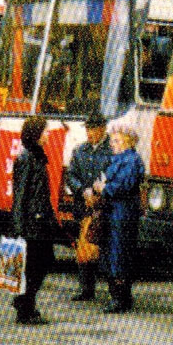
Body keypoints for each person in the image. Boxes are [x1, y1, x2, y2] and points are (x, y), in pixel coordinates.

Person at [92, 122, 145, 313]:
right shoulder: (122, 159)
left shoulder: (130, 160)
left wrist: (103, 188)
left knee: (119, 253)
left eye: (116, 140)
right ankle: (120, 296)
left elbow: (123, 186)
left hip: (122, 214)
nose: (112, 144)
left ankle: (119, 298)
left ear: (126, 142)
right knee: (115, 252)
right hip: (116, 213)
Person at [10, 116, 57, 325]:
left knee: (43, 263)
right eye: (45, 131)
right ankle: (25, 306)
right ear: (36, 134)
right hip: (31, 225)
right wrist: (19, 227)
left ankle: (25, 302)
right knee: (33, 267)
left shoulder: (37, 157)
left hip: (40, 222)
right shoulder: (26, 159)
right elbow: (20, 196)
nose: (48, 135)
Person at [64, 111, 112, 301]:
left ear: (102, 129)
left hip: (104, 207)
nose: (89, 133)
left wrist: (99, 193)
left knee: (106, 248)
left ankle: (113, 291)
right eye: (88, 129)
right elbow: (71, 176)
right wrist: (82, 190)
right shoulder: (79, 150)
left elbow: (113, 175)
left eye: (93, 129)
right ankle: (86, 289)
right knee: (83, 246)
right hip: (83, 206)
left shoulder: (112, 150)